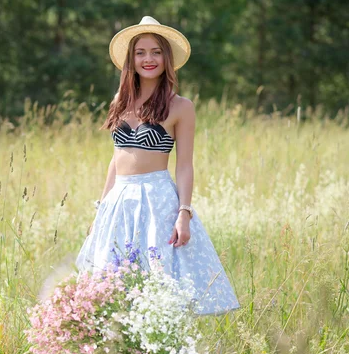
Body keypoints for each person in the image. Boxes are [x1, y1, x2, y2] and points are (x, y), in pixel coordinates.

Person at [76, 16, 240, 316]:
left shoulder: (181, 106)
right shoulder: (119, 102)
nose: (148, 59)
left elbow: (185, 166)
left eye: (156, 52)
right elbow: (116, 159)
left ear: (167, 58)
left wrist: (184, 213)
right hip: (119, 203)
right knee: (111, 289)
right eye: (140, 52)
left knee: (157, 284)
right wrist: (101, 209)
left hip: (156, 201)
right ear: (131, 58)